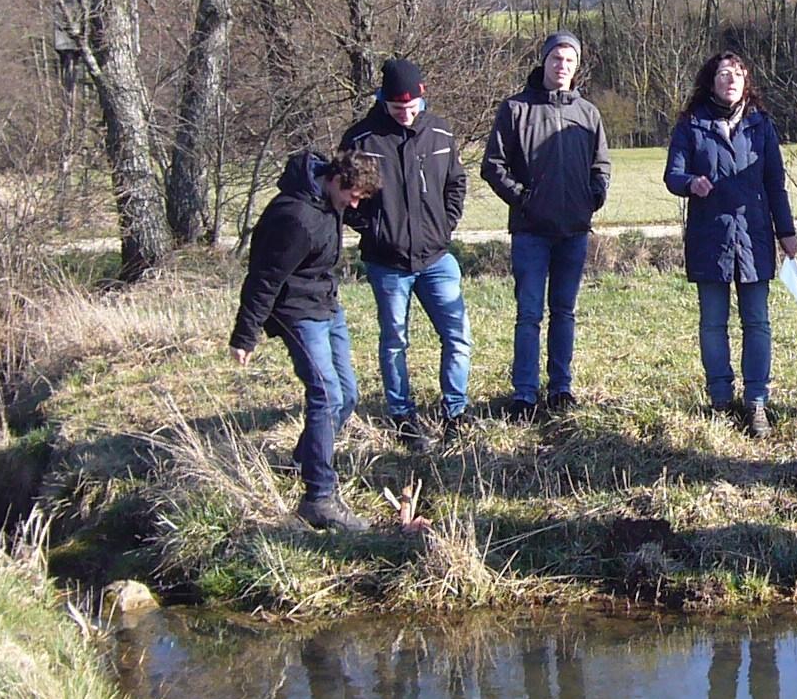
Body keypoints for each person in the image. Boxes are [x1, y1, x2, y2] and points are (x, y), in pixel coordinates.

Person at [229, 147, 384, 534]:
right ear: (335, 179)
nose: (355, 203)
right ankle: (319, 496)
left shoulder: (329, 201)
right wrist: (245, 334)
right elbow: (264, 279)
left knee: (347, 394)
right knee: (326, 394)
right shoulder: (295, 217)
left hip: (326, 303)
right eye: (354, 194)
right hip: (297, 312)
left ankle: (304, 459)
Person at [665, 49, 797, 436]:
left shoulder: (761, 125)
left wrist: (786, 232)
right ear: (711, 81)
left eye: (739, 73)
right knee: (713, 323)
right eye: (725, 73)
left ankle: (756, 400)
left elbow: (775, 183)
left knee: (757, 322)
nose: (732, 79)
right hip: (710, 236)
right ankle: (721, 399)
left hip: (755, 236)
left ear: (747, 82)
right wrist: (691, 183)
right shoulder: (691, 124)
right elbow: (673, 174)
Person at [339, 56, 471, 443]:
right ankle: (401, 413)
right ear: (383, 100)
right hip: (387, 262)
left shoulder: (441, 134)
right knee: (395, 339)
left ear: (422, 99)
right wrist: (374, 229)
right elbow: (346, 195)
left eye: (412, 108)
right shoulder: (361, 140)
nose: (405, 115)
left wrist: (444, 225)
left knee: (458, 335)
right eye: (398, 108)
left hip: (436, 258)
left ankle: (455, 411)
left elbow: (456, 184)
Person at [480, 30, 612, 415]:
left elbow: (601, 163)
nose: (562, 66)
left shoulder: (587, 113)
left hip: (573, 230)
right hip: (530, 232)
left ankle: (561, 388)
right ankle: (524, 393)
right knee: (529, 313)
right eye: (556, 59)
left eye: (570, 61)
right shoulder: (516, 109)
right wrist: (522, 198)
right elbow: (493, 166)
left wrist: (595, 194)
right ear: (544, 61)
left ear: (577, 66)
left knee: (565, 312)